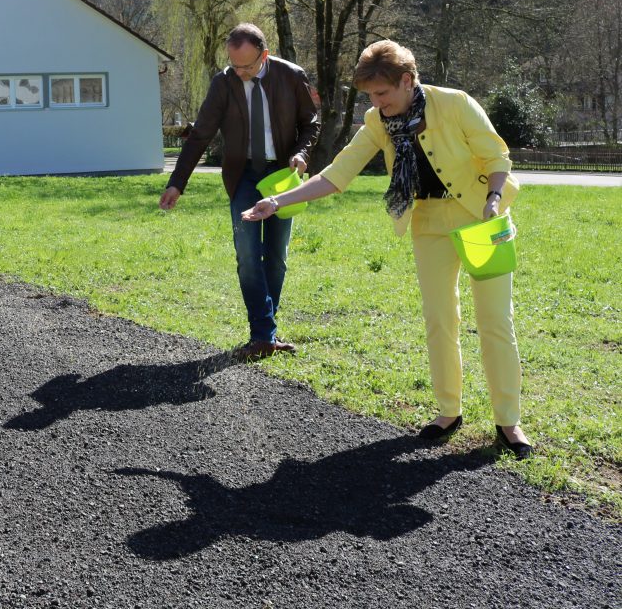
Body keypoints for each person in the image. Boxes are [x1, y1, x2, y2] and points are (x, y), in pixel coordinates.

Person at [242, 40, 533, 458]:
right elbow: (337, 175)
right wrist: (277, 201)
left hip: (482, 219)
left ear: (407, 80)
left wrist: (494, 198)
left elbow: (496, 156)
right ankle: (448, 412)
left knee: (495, 322)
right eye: (370, 96)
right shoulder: (378, 121)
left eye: (382, 93)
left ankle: (508, 422)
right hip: (428, 223)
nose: (376, 103)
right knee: (439, 319)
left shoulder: (455, 103)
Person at [160, 23, 321, 360]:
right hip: (243, 176)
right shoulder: (223, 83)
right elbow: (201, 135)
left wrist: (301, 154)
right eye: (234, 65)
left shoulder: (292, 76)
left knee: (276, 257)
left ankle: (266, 332)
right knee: (248, 256)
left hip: (282, 175)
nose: (240, 73)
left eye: (247, 66)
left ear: (265, 55)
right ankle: (263, 334)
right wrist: (177, 182)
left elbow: (311, 123)